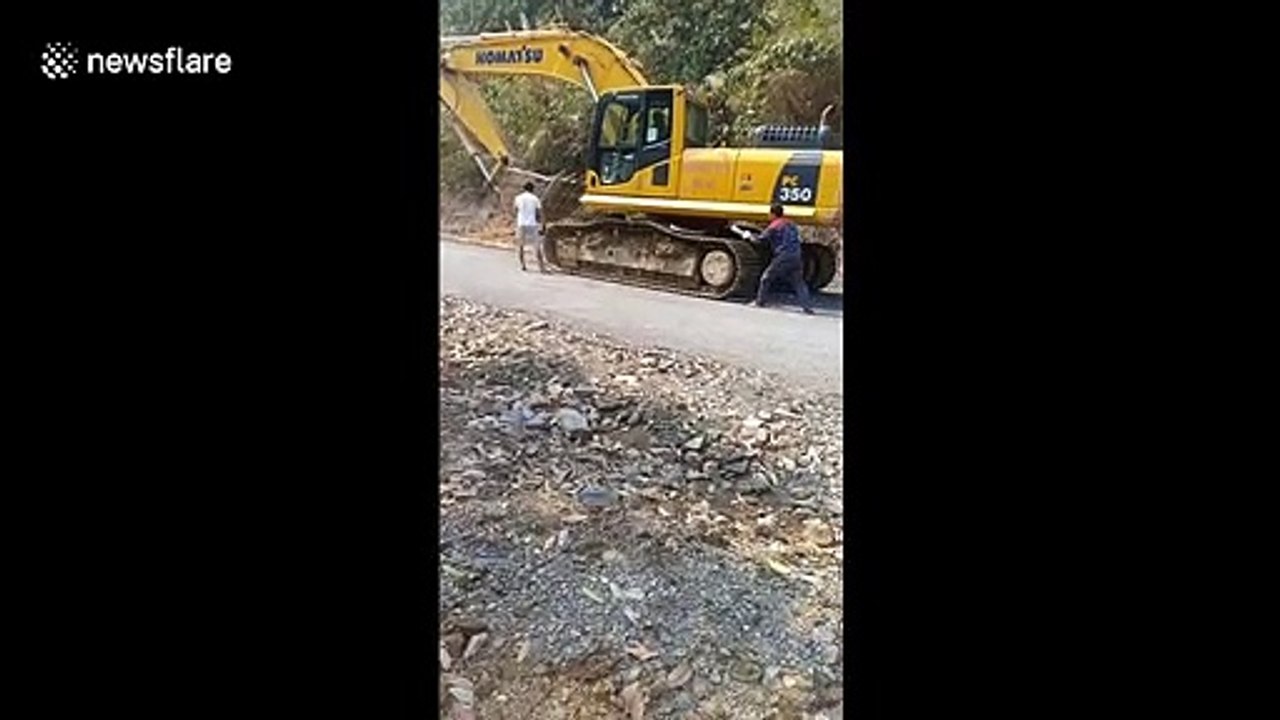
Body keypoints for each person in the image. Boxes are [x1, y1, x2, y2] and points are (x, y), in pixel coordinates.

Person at [755, 203, 814, 314]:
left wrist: (748, 236)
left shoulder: (774, 225)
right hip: (796, 255)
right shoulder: (791, 224)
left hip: (783, 256)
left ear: (773, 214)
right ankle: (807, 307)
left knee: (766, 278)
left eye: (769, 214)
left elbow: (760, 240)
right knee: (799, 282)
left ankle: (760, 301)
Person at [513, 181, 545, 272]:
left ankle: (523, 265)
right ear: (532, 189)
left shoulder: (518, 198)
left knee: (520, 246)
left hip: (521, 223)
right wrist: (541, 224)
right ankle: (541, 267)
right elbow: (539, 213)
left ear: (524, 188)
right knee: (536, 246)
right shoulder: (535, 199)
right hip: (532, 224)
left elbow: (515, 210)